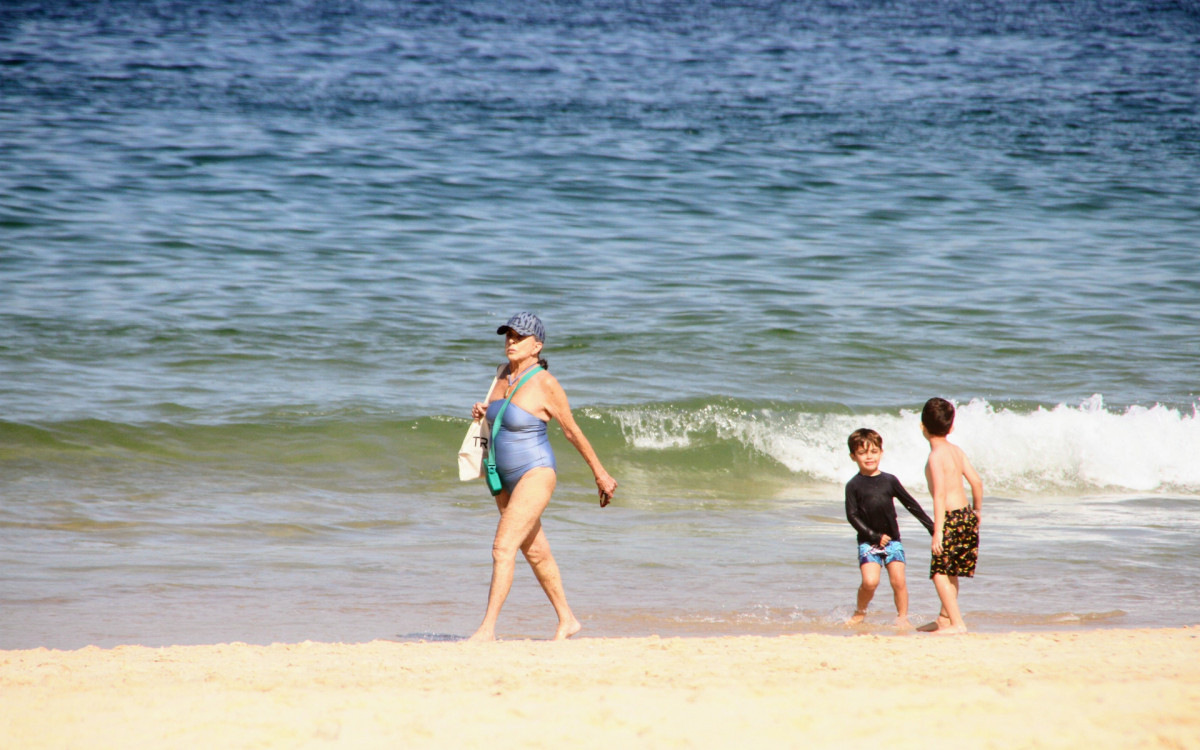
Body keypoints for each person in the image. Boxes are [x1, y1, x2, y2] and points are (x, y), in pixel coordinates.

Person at [467, 312, 618, 642]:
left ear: (537, 346)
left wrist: (601, 474)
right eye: (508, 335)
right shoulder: (502, 374)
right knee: (535, 552)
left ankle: (487, 630)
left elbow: (572, 431)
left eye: (519, 337)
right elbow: (499, 414)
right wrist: (483, 411)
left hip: (534, 473)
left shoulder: (546, 383)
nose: (511, 341)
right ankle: (568, 619)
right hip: (500, 476)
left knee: (502, 547)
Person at [844, 428, 934, 628]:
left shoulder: (890, 480)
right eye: (862, 453)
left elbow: (911, 504)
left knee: (898, 581)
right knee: (870, 582)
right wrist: (873, 535)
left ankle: (902, 617)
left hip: (893, 541)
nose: (869, 457)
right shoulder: (853, 485)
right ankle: (860, 613)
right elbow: (852, 516)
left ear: (881, 452)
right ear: (853, 456)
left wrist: (931, 527)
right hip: (868, 542)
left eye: (874, 451)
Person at [919, 397, 984, 635]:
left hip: (950, 518)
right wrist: (977, 511)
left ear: (922, 426)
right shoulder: (957, 451)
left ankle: (957, 623)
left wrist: (938, 531)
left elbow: (940, 495)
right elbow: (977, 482)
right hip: (966, 515)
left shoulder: (935, 456)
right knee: (951, 570)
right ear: (951, 427)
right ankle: (944, 618)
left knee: (939, 573)